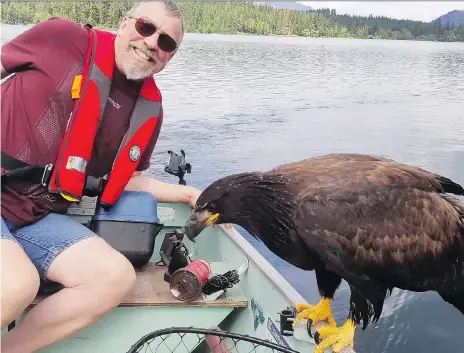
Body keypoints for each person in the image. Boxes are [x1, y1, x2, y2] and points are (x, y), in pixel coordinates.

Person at [0, 1, 201, 352]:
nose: (153, 43)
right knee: (18, 283)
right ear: (125, 24)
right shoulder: (62, 38)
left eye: (167, 42)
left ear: (170, 56)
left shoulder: (150, 109)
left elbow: (127, 181)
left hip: (37, 216)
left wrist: (189, 196)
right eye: (146, 27)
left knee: (114, 276)